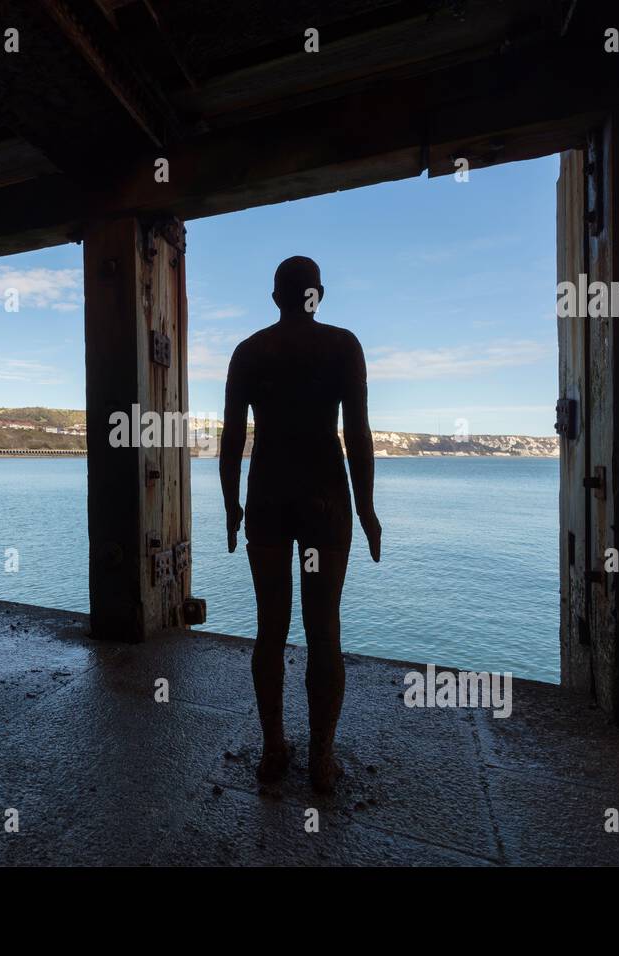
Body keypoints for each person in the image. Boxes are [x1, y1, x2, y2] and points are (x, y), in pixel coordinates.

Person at [220, 256, 382, 793]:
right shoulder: (343, 346)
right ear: (318, 294)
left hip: (267, 497)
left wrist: (230, 506)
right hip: (325, 499)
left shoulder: (249, 351)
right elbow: (357, 434)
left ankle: (273, 752)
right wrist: (366, 508)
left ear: (275, 298)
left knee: (270, 629)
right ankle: (322, 759)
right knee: (324, 631)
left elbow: (231, 441)